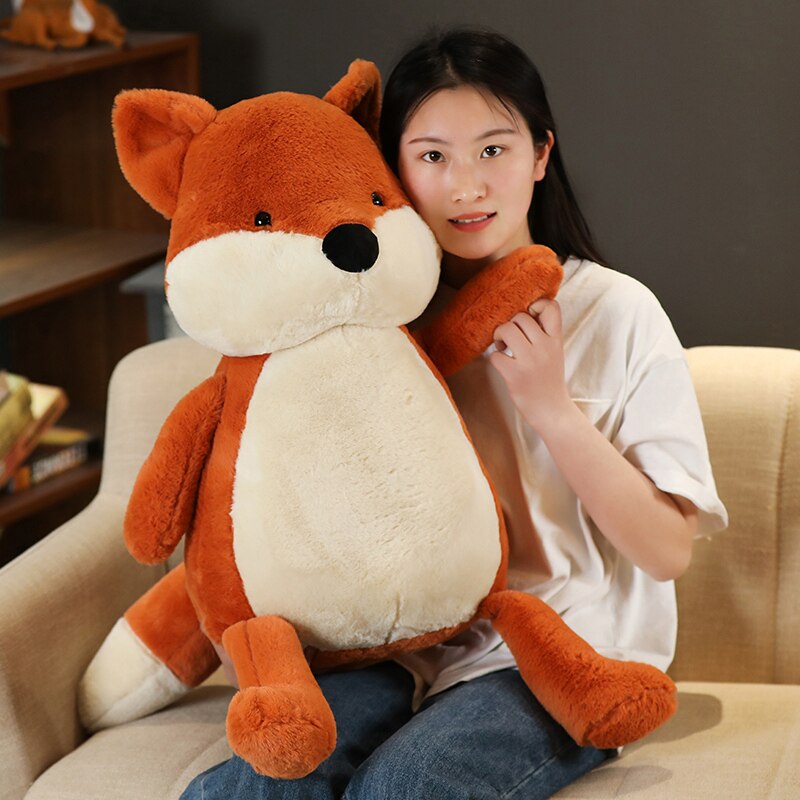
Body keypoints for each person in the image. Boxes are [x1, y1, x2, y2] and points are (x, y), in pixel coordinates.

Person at [182, 26, 727, 800]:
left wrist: (551, 408)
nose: (466, 185)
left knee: (409, 784)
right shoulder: (379, 325)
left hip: (561, 653)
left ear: (540, 154)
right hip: (401, 648)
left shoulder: (617, 312)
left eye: (493, 150)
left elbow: (668, 551)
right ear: (393, 167)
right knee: (264, 785)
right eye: (432, 156)